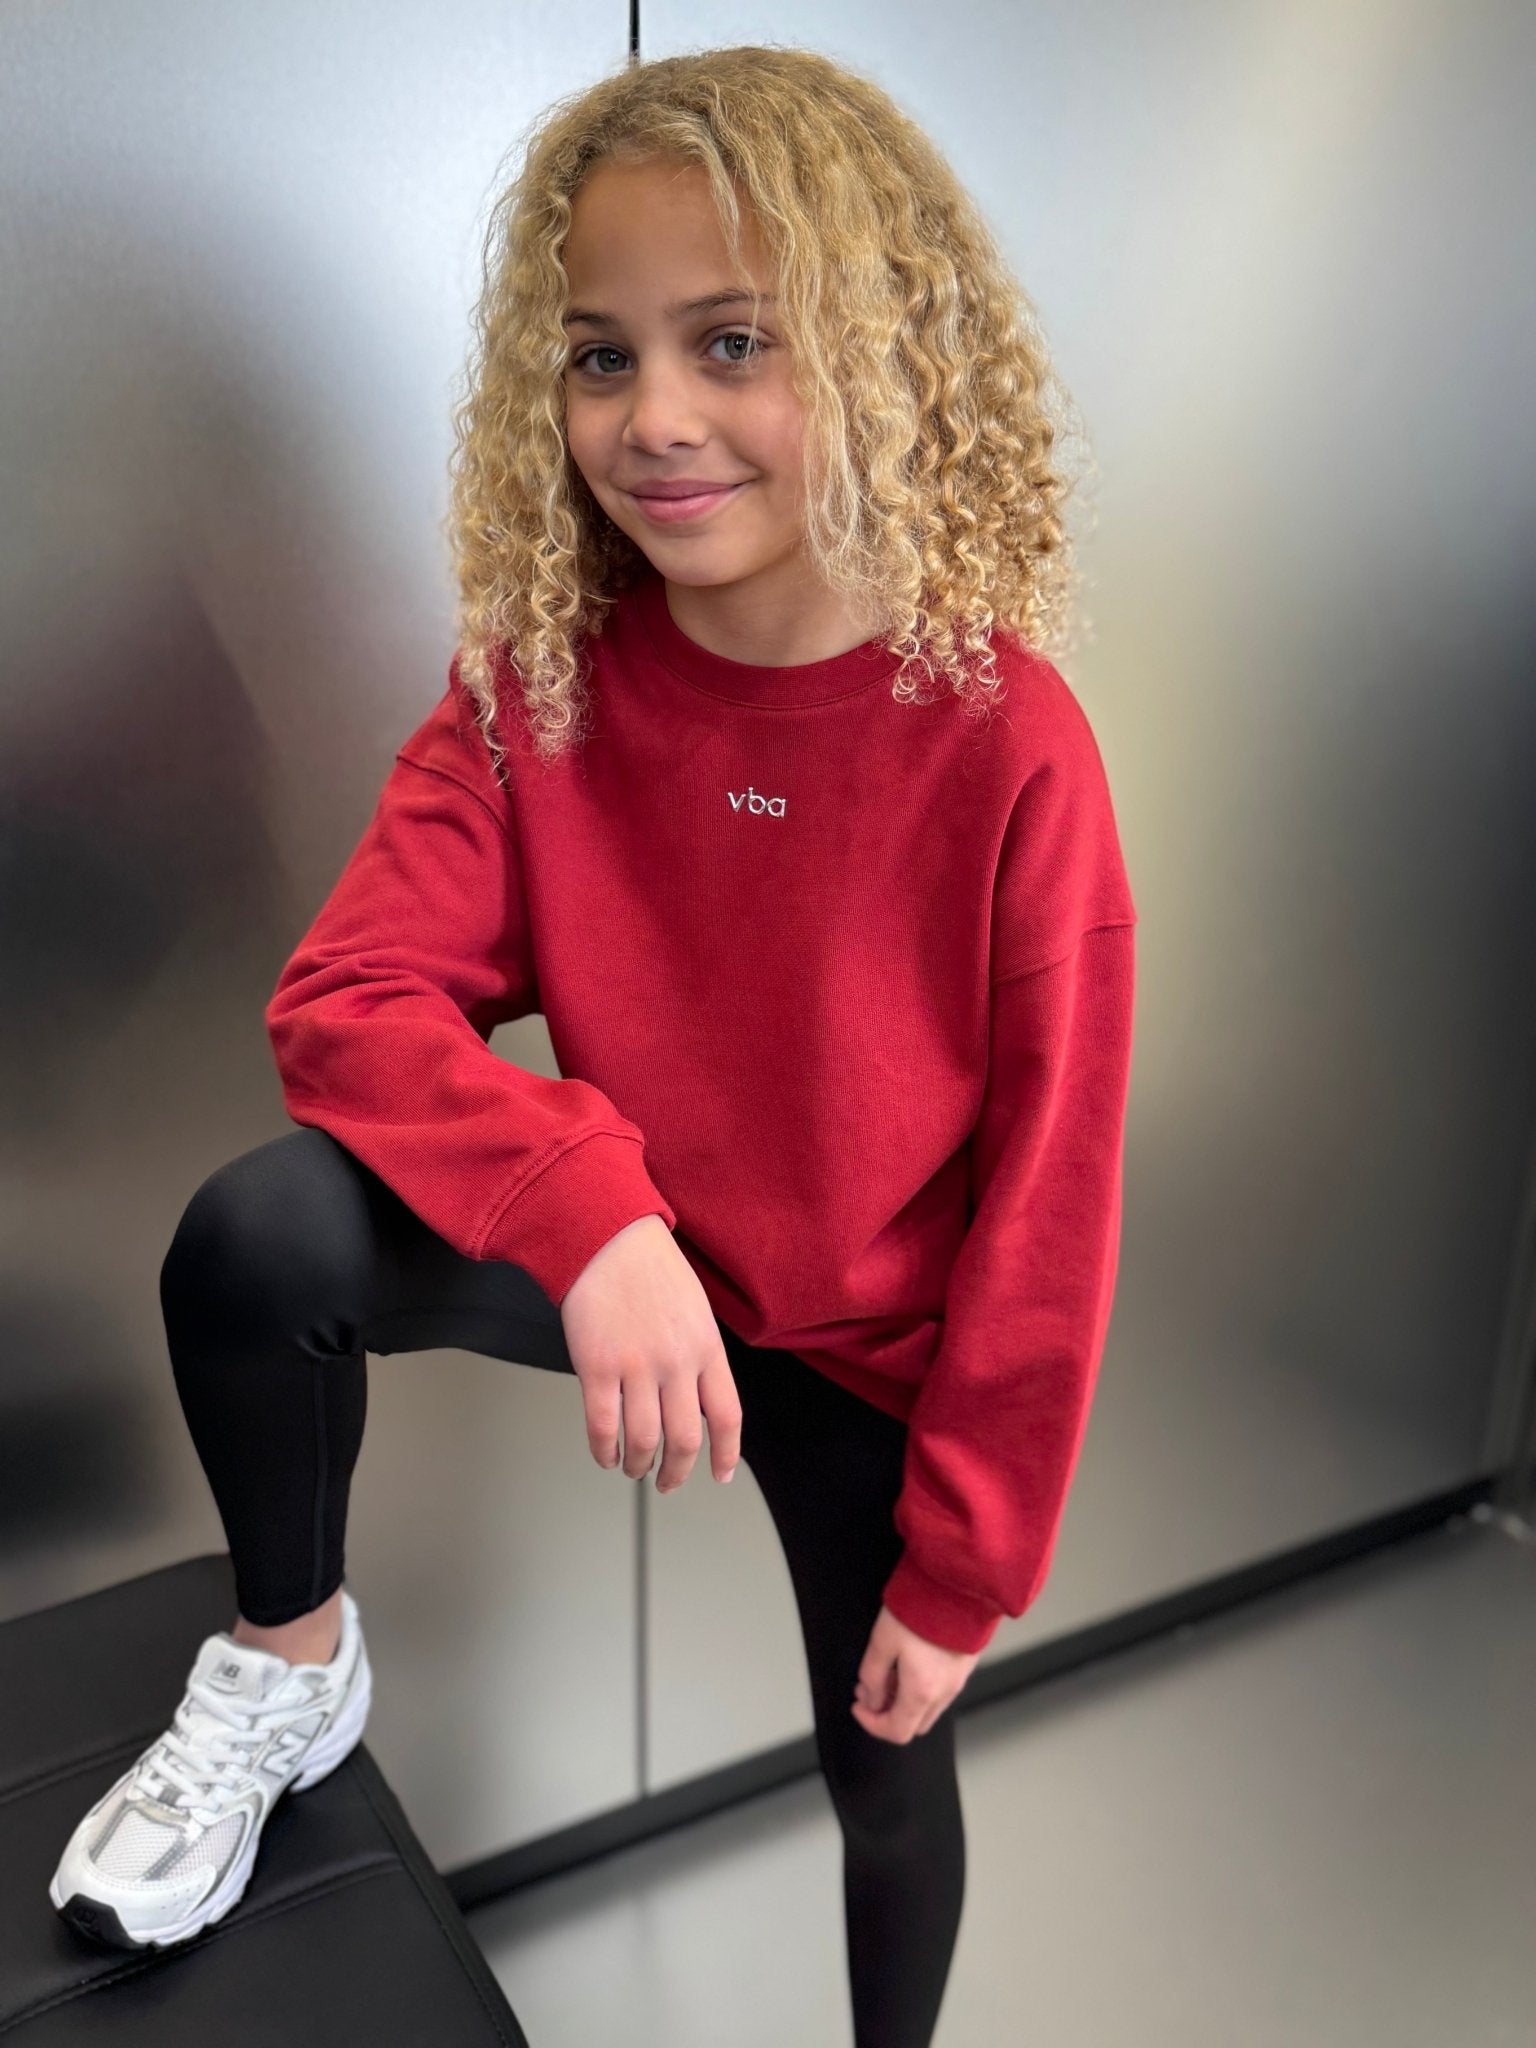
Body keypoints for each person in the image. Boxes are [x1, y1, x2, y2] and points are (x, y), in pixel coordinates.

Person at [50, 43, 1136, 2048]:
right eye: (597, 355)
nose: (655, 417)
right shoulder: (540, 684)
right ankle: (291, 1664)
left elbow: (1050, 1208)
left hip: (861, 1346)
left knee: (893, 1776)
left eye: (731, 342)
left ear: (884, 352)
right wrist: (596, 1218)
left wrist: (963, 1570)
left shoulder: (1009, 744)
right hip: (629, 1267)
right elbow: (347, 999)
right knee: (259, 1241)